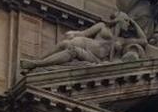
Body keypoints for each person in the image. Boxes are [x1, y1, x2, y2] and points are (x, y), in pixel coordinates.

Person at [19, 12, 147, 72]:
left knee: (72, 50)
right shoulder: (102, 26)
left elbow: (143, 40)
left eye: (128, 23)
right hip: (87, 44)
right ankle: (37, 62)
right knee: (65, 44)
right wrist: (74, 33)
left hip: (94, 58)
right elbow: (85, 33)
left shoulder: (122, 40)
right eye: (125, 21)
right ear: (118, 20)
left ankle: (38, 64)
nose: (127, 24)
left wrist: (134, 23)